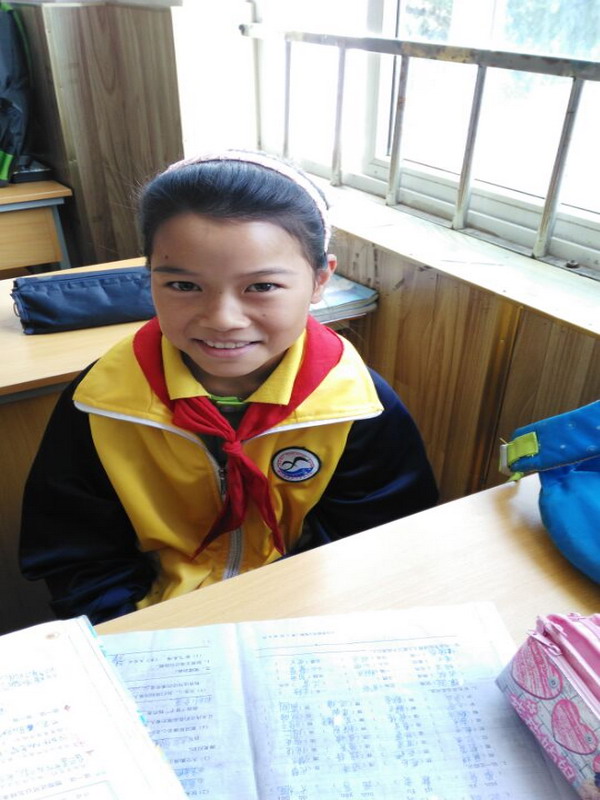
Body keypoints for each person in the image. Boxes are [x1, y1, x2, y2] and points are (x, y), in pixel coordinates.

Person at [19, 150, 438, 624]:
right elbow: (77, 555)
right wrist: (128, 629)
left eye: (261, 287)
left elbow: (375, 545)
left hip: (303, 618)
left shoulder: (358, 407)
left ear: (320, 280)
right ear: (150, 277)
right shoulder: (100, 403)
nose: (222, 319)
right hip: (152, 620)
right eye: (184, 286)